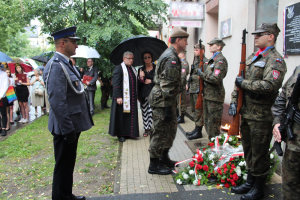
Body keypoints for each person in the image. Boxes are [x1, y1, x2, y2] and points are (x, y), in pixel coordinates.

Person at [229, 23, 286, 200]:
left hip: (261, 116)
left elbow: (270, 85)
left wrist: (243, 84)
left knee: (260, 152)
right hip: (246, 112)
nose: (256, 36)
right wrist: (233, 101)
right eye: (255, 34)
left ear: (271, 37)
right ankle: (250, 182)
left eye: (260, 34)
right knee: (248, 149)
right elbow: (239, 80)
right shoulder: (254, 56)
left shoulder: (275, 60)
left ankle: (259, 188)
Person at [43, 26, 93, 200]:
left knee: (68, 163)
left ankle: (66, 195)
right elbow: (57, 101)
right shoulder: (55, 65)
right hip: (65, 126)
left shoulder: (65, 63)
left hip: (71, 124)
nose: (77, 46)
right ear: (63, 43)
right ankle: (60, 197)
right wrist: (67, 129)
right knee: (63, 165)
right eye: (74, 42)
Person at [148, 29, 189, 175]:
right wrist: (166, 107)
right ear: (178, 40)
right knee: (159, 131)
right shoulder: (171, 57)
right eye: (185, 40)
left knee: (170, 130)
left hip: (167, 100)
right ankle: (154, 165)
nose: (187, 43)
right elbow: (166, 84)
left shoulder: (172, 55)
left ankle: (164, 158)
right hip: (162, 101)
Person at [272, 65, 300, 200]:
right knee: (289, 187)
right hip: (293, 142)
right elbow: (283, 95)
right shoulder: (298, 70)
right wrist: (277, 121)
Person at [197, 38, 227, 140]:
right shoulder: (212, 60)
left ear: (219, 46)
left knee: (213, 124)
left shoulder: (220, 60)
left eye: (212, 44)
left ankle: (215, 147)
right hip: (208, 95)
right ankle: (212, 144)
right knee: (208, 122)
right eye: (209, 44)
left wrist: (202, 75)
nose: (209, 46)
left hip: (215, 97)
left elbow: (216, 78)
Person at [108, 51, 139, 142]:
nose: (131, 60)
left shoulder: (133, 69)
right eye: (129, 58)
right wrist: (118, 96)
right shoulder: (119, 68)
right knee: (121, 116)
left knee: (129, 116)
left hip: (131, 98)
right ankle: (121, 134)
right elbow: (116, 83)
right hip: (122, 97)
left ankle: (129, 133)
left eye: (132, 58)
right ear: (123, 59)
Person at [186, 44, 208, 140]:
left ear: (202, 51)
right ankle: (196, 128)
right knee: (195, 110)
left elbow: (206, 77)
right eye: (194, 49)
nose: (194, 51)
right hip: (193, 89)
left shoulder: (206, 62)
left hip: (199, 90)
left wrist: (204, 91)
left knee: (199, 111)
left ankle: (198, 131)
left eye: (197, 49)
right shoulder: (195, 62)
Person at [138, 51, 156, 137]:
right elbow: (138, 84)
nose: (147, 59)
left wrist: (151, 81)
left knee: (152, 112)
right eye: (145, 57)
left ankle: (152, 129)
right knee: (145, 112)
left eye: (149, 57)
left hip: (154, 94)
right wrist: (141, 78)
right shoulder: (140, 69)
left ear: (151, 58)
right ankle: (146, 129)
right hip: (144, 94)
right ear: (143, 59)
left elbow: (161, 80)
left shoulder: (157, 68)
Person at [176, 50, 189, 124]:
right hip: (179, 85)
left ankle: (181, 117)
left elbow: (183, 75)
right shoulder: (180, 62)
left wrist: (180, 85)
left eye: (179, 53)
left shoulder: (184, 63)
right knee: (178, 102)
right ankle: (178, 116)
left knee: (182, 102)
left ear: (182, 54)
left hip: (182, 86)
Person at [0, 65, 9, 136]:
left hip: (1, 96)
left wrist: (1, 95)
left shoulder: (3, 74)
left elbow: (5, 85)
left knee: (3, 113)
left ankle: (4, 128)